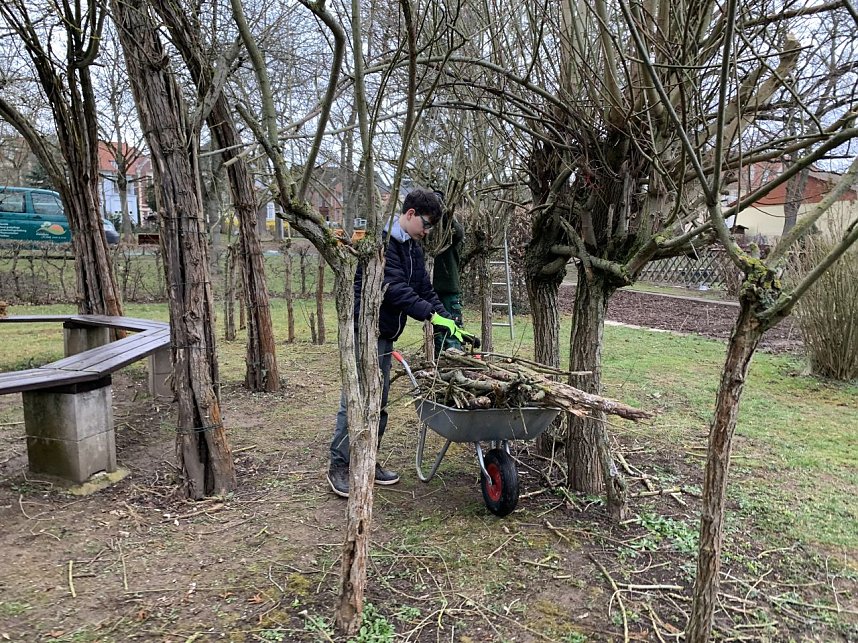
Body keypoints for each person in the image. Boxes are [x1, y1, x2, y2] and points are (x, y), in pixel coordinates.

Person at [327, 188, 469, 498]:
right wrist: (432, 317)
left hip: (385, 332)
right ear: (410, 214)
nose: (428, 231)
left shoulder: (411, 247)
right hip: (365, 330)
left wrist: (450, 322)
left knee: (379, 402)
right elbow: (395, 290)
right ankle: (339, 466)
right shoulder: (382, 244)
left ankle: (367, 461)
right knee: (357, 400)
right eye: (427, 224)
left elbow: (424, 289)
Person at [432, 202, 465, 354]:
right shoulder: (429, 230)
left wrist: (445, 214)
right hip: (431, 288)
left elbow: (459, 233)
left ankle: (453, 360)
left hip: (448, 287)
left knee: (452, 326)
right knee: (438, 328)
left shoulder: (450, 232)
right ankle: (439, 359)